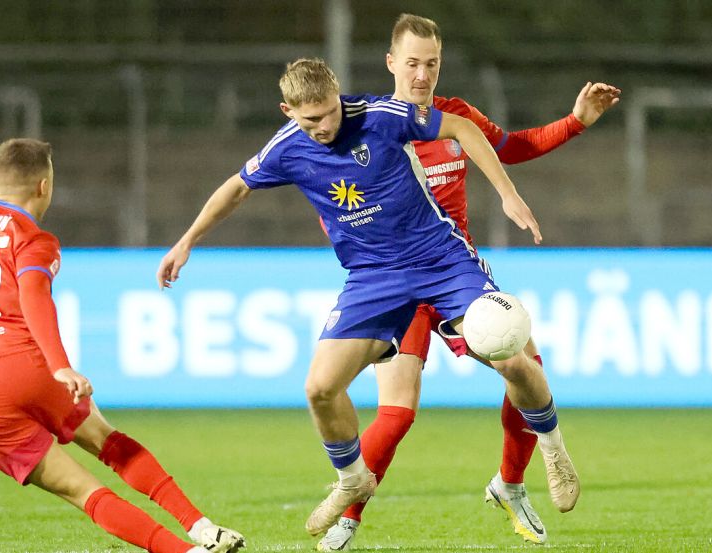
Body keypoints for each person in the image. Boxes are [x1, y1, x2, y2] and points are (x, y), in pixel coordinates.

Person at [157, 58, 576, 544]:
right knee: (319, 388)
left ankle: (553, 448)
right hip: (373, 278)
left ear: (338, 96)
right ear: (288, 111)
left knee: (514, 357)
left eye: (330, 112)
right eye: (311, 119)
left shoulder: (380, 115)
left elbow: (460, 125)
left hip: (441, 260)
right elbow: (237, 187)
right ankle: (352, 478)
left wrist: (507, 194)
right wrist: (186, 240)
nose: (325, 125)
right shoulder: (287, 148)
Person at [317, 14, 621, 550]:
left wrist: (575, 121)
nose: (421, 75)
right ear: (391, 63)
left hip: (453, 271)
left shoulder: (454, 116)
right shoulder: (362, 128)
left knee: (519, 363)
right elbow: (334, 196)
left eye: (431, 64)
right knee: (397, 412)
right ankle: (350, 515)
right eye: (411, 63)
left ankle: (510, 483)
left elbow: (512, 146)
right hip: (397, 284)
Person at [0, 138, 245, 553]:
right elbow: (33, 296)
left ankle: (187, 552)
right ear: (44, 186)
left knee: (82, 491)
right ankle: (200, 527)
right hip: (24, 366)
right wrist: (59, 366)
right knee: (108, 442)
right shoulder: (34, 239)